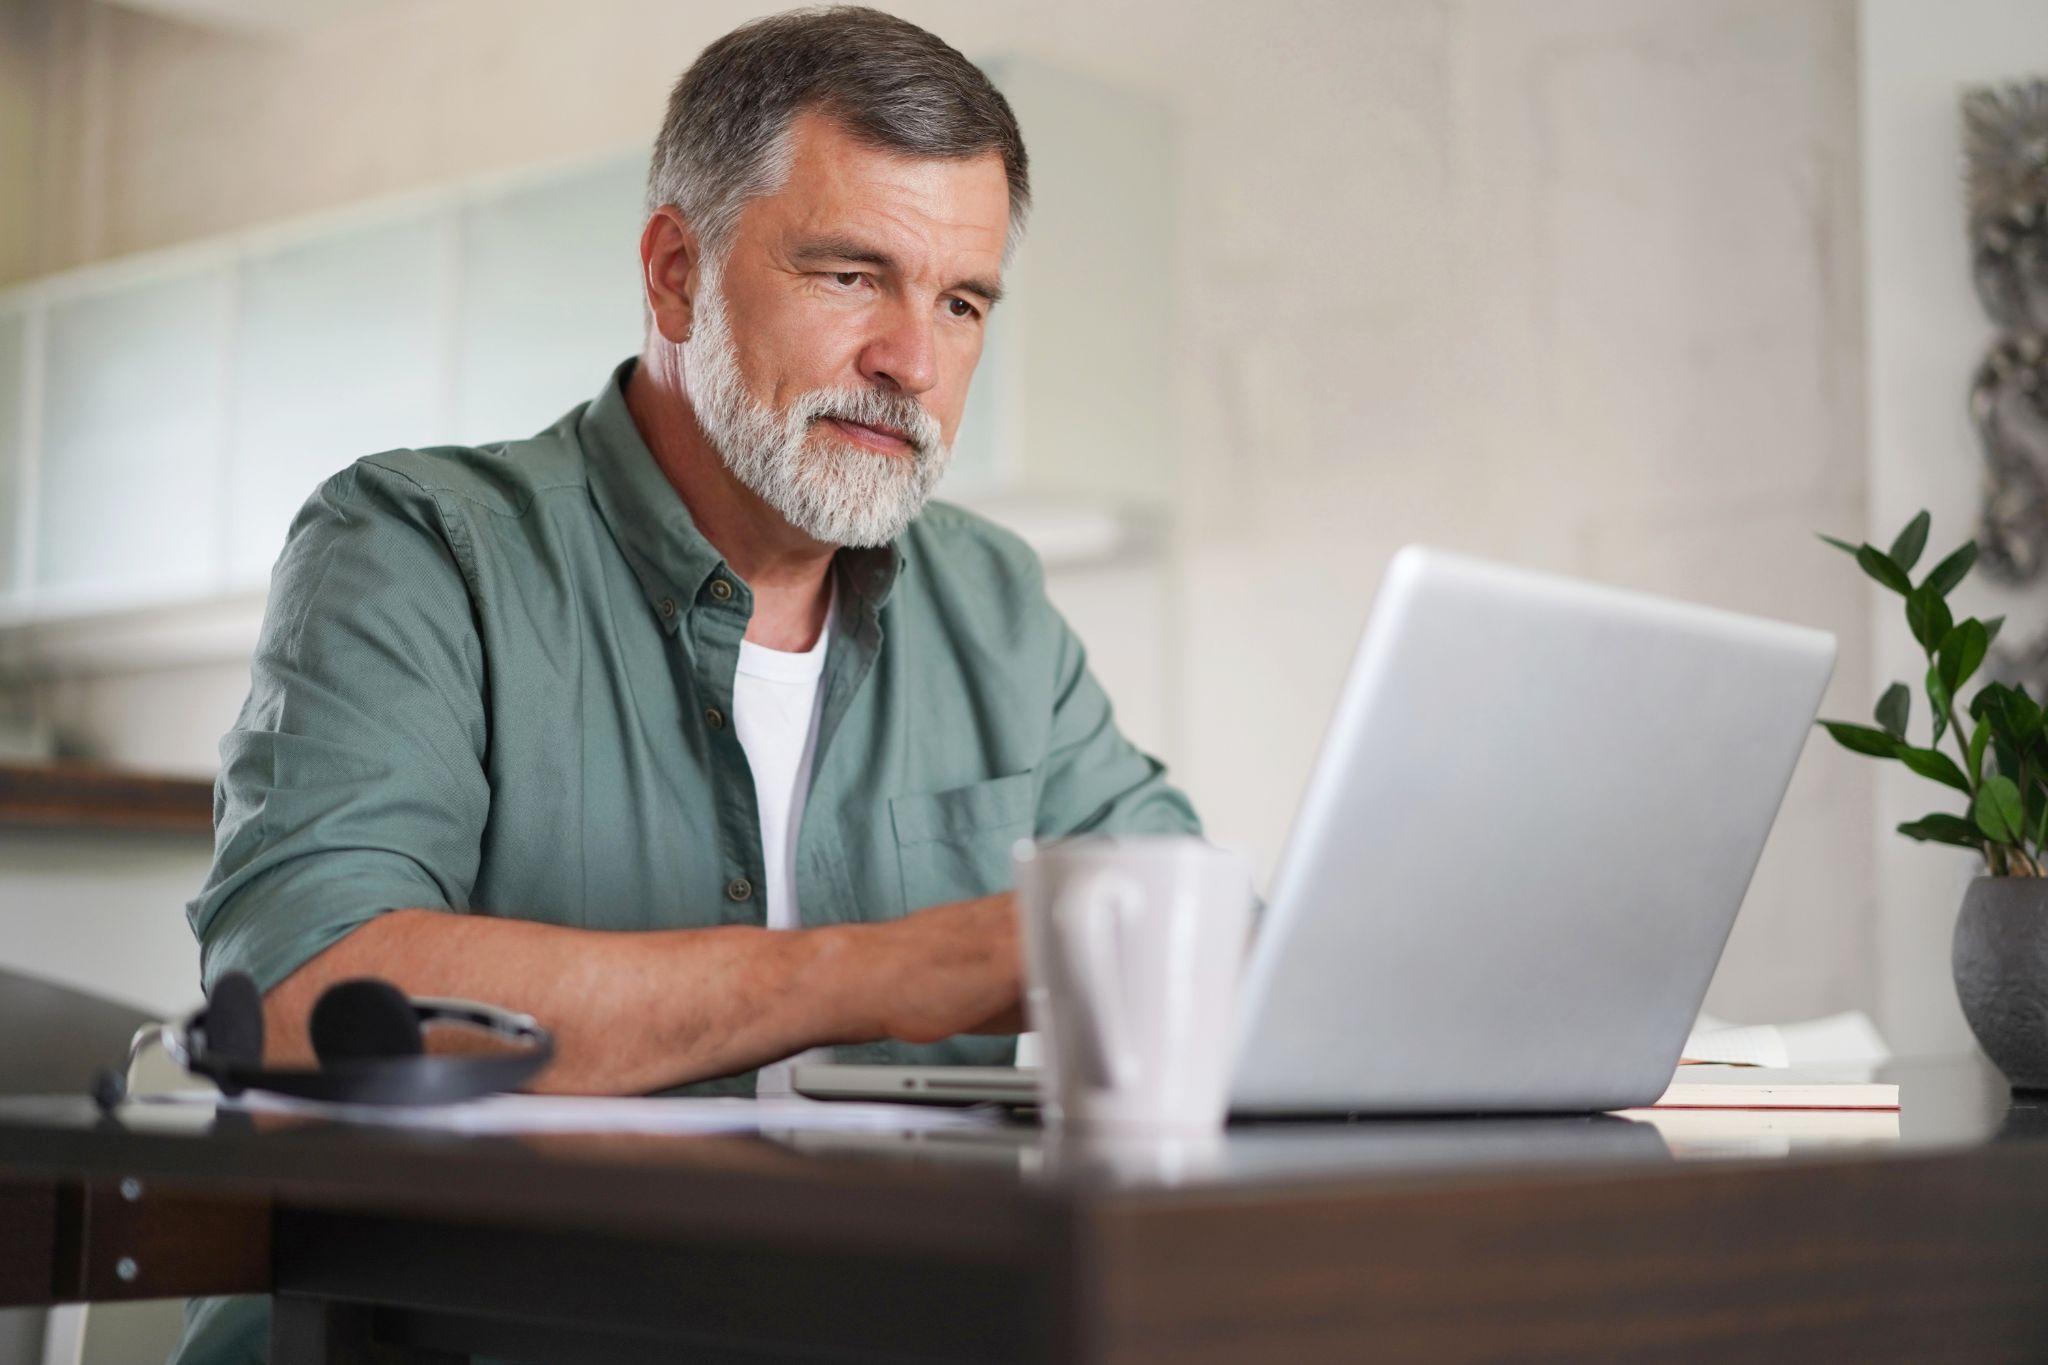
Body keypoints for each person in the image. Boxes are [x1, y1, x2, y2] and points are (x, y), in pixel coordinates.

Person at [174, 7, 1198, 1359]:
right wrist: (900, 968)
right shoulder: (419, 546)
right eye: (851, 276)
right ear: (674, 274)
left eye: (961, 301)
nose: (914, 361)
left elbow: (1197, 933)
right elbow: (313, 1009)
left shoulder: (993, 599)